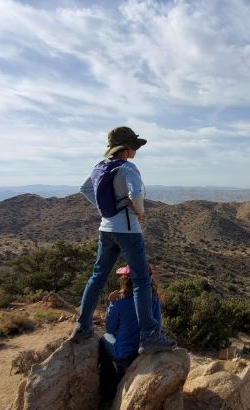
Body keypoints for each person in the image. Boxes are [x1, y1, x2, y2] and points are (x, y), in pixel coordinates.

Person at [69, 126, 176, 355]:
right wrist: (139, 211)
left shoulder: (100, 167)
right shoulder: (128, 167)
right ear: (126, 149)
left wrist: (106, 210)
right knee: (141, 280)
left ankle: (82, 326)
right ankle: (149, 335)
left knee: (97, 277)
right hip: (128, 231)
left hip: (105, 229)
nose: (135, 151)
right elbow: (136, 193)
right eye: (134, 147)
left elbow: (85, 189)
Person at [98, 264, 163, 402]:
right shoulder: (154, 299)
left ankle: (109, 391)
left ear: (126, 280)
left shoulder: (120, 303)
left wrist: (111, 303)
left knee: (103, 341)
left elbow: (109, 328)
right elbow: (158, 325)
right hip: (143, 351)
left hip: (125, 355)